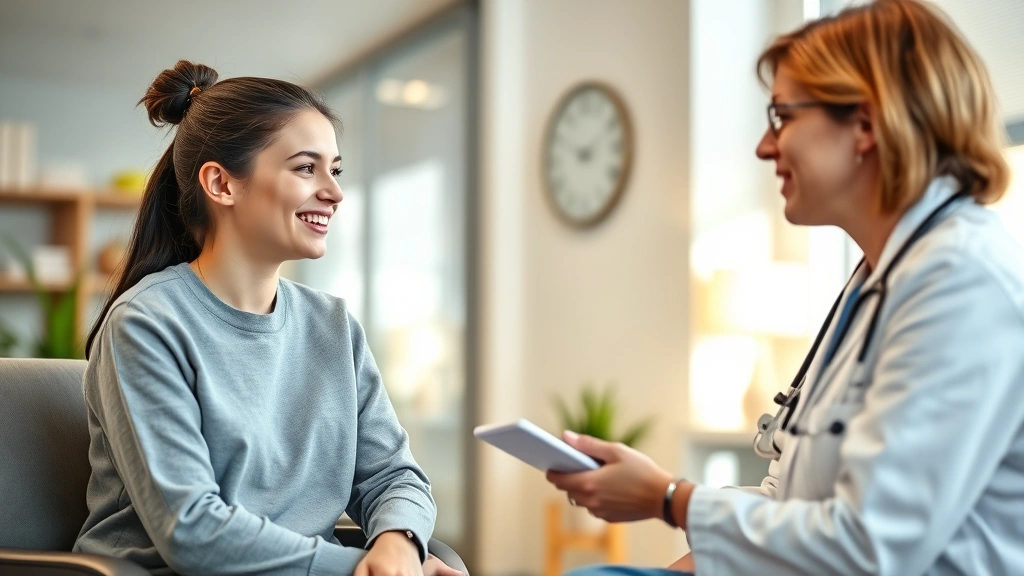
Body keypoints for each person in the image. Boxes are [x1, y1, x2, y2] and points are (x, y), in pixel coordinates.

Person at [546, 1, 1024, 575]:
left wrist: (669, 498)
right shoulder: (875, 280)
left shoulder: (962, 283)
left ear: (867, 125)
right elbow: (790, 506)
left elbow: (868, 547)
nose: (764, 147)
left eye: (782, 117)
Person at [73, 60, 460, 576]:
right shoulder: (146, 324)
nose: (335, 192)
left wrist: (399, 544)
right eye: (306, 168)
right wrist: (359, 569)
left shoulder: (333, 326)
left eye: (335, 170)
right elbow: (192, 530)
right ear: (222, 184)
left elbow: (394, 475)